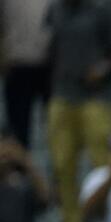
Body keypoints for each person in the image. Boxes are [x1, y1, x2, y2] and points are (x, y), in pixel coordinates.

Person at [46, 0, 111, 222]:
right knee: (62, 165)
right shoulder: (56, 9)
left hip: (98, 97)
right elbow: (51, 48)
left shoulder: (104, 8)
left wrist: (103, 68)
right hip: (63, 92)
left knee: (103, 164)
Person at [1, 0, 54, 149]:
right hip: (17, 63)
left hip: (50, 67)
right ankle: (18, 168)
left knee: (54, 127)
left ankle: (55, 169)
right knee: (17, 128)